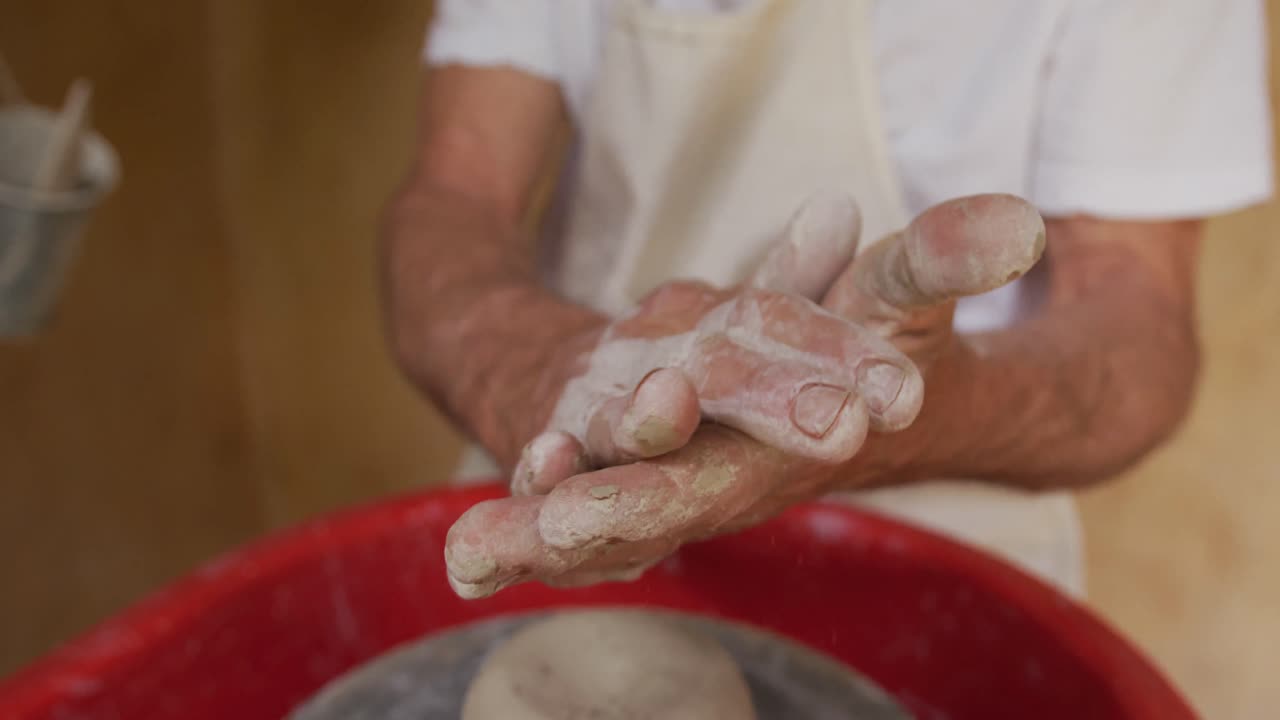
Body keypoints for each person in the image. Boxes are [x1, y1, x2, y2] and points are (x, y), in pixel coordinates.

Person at [381, 0, 1274, 599]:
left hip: (939, 567)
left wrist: (910, 414)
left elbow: (1137, 324)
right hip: (564, 472)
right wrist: (537, 371)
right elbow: (455, 197)